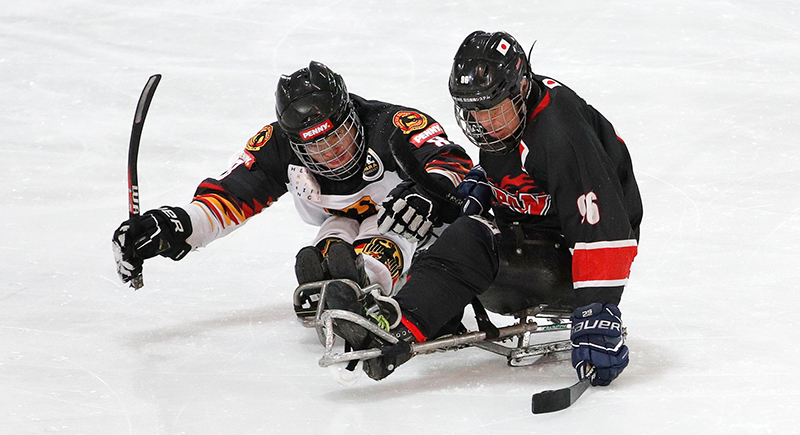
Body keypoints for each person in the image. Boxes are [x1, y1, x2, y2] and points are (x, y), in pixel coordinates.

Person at [323, 31, 643, 385]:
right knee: (438, 215)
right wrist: (472, 188)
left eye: (491, 109)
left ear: (520, 89)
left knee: (472, 236)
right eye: (472, 110)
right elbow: (522, 180)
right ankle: (420, 313)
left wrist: (598, 310)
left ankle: (400, 323)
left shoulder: (560, 130)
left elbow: (604, 227)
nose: (482, 122)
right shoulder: (509, 120)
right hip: (539, 241)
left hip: (574, 267)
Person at [112, 61, 472, 319]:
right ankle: (335, 283)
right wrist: (175, 224)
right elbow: (230, 195)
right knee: (331, 246)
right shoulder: (277, 146)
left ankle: (370, 281)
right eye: (317, 146)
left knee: (391, 231)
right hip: (339, 220)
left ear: (352, 115)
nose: (332, 153)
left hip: (415, 227)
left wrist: (428, 192)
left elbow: (451, 161)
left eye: (338, 135)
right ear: (295, 143)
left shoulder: (391, 125)